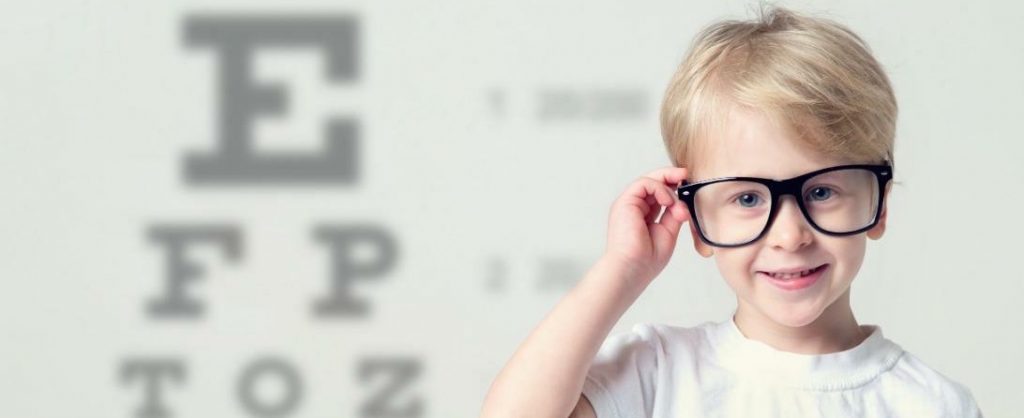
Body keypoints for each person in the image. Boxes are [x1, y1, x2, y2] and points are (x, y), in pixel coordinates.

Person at [478, 4, 983, 418]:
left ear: (878, 205)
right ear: (695, 219)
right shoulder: (658, 373)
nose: (789, 235)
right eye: (747, 198)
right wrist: (623, 271)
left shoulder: (934, 404)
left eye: (822, 192)